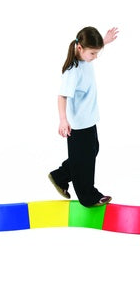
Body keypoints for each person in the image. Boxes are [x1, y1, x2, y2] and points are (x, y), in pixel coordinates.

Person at [48, 26, 119, 207]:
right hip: (78, 125)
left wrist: (105, 40)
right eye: (93, 53)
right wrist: (63, 120)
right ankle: (88, 197)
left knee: (91, 151)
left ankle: (60, 176)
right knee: (84, 161)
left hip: (89, 119)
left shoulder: (85, 57)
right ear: (80, 48)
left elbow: (92, 48)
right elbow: (62, 96)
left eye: (97, 53)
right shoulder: (73, 71)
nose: (95, 57)